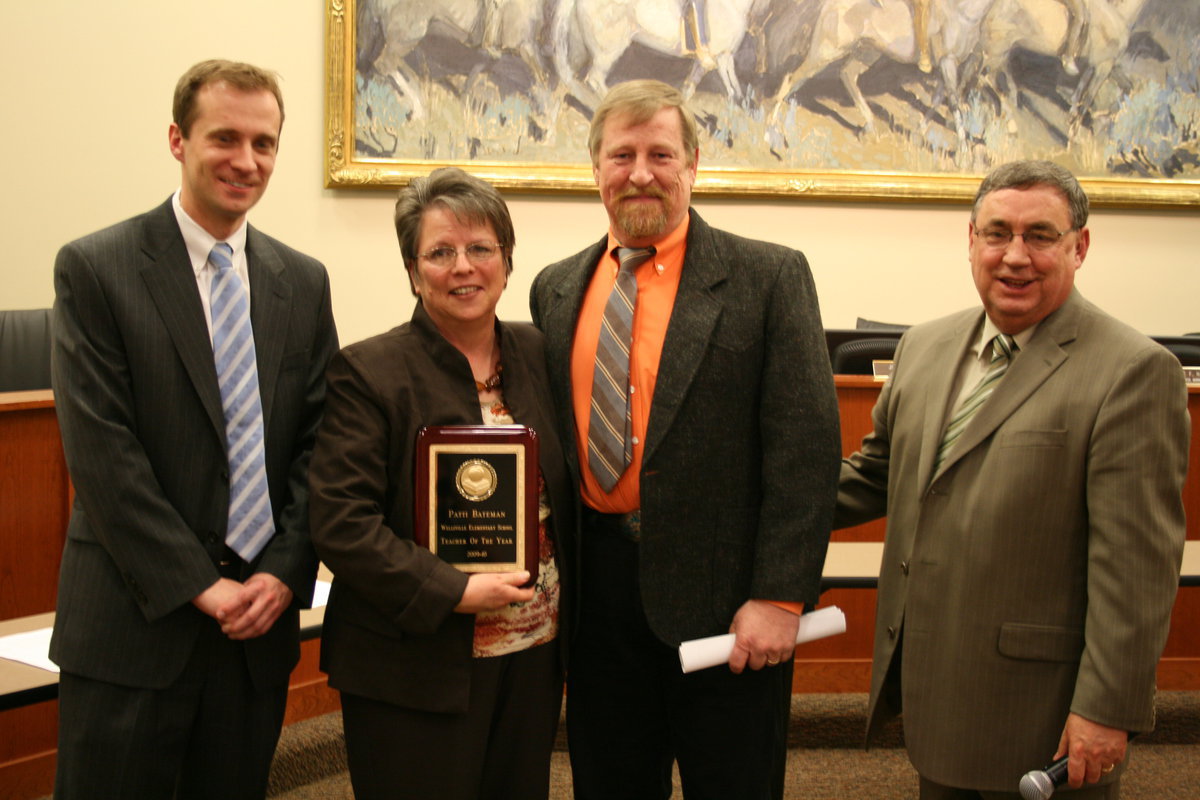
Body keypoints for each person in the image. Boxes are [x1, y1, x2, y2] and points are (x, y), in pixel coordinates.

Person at [837, 160, 1188, 799]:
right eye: (997, 233)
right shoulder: (924, 347)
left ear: (1080, 246)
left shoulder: (1133, 371)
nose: (1015, 256)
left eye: (1041, 236)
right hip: (938, 687)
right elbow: (872, 476)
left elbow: (1135, 571)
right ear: (970, 241)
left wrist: (1108, 709)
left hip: (1043, 711)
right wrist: (745, 496)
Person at [530, 79, 840, 800]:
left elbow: (805, 450)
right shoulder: (554, 288)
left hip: (730, 605)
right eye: (621, 155)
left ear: (693, 166)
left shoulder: (768, 277)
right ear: (597, 169)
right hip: (597, 606)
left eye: (660, 154)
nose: (640, 172)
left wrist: (781, 597)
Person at [49, 59, 339, 800]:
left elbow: (321, 445)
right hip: (134, 625)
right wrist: (201, 586)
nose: (247, 161)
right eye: (225, 138)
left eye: (265, 143)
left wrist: (282, 570)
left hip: (257, 632)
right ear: (178, 140)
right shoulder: (96, 267)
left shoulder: (300, 281)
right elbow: (104, 457)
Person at [308, 166, 575, 800]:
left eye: (481, 249)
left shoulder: (540, 353)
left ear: (507, 263)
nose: (464, 267)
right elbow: (342, 524)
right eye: (440, 252)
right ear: (412, 269)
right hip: (413, 666)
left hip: (533, 654)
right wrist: (453, 589)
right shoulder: (368, 372)